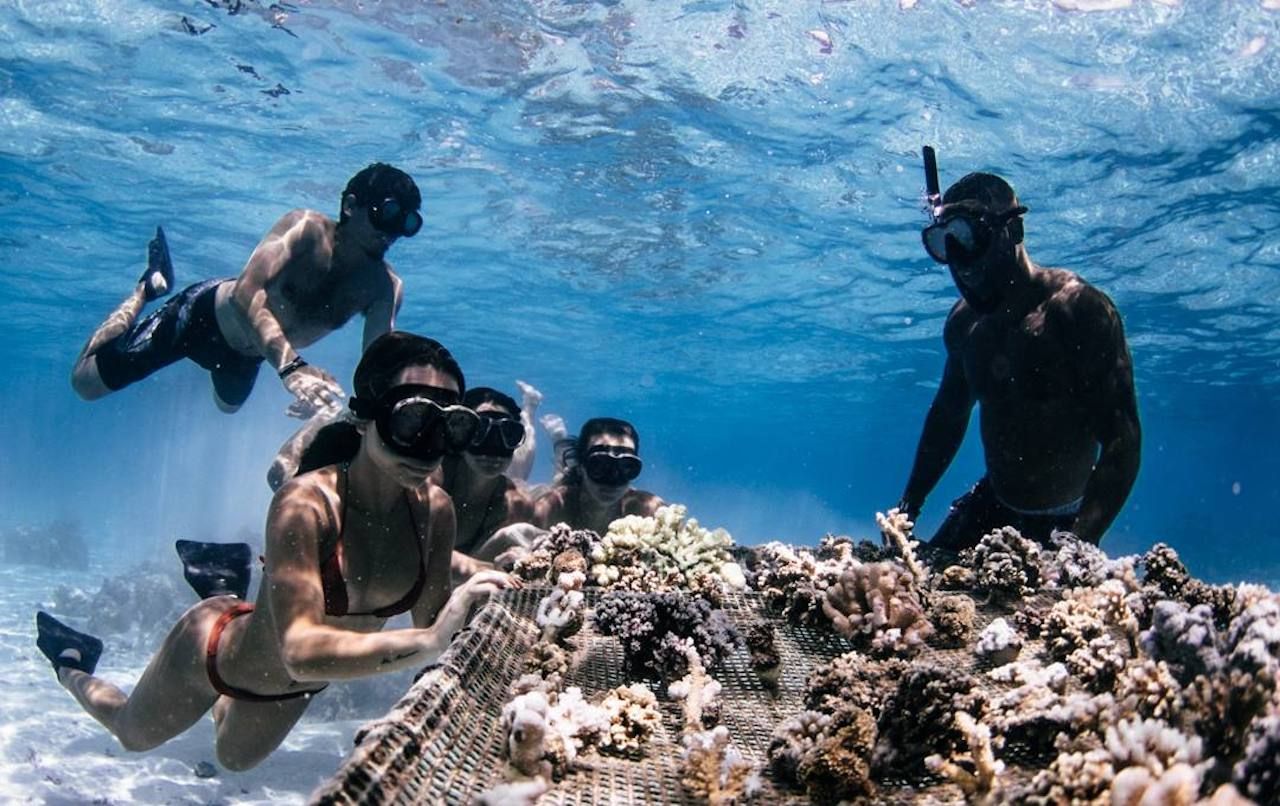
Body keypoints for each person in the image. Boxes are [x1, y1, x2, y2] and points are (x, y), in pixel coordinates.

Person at [36, 332, 517, 771]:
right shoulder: (307, 502)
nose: (428, 447)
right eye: (413, 420)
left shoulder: (436, 511)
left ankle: (225, 585)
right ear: (367, 414)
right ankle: (71, 660)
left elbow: (435, 625)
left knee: (233, 758)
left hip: (298, 684)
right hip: (216, 654)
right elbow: (303, 652)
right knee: (130, 734)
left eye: (449, 427)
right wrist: (433, 640)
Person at [895, 166, 1141, 551]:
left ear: (1014, 231)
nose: (960, 262)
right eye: (944, 243)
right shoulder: (964, 325)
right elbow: (948, 416)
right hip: (992, 502)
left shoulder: (1079, 311)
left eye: (967, 237)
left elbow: (1122, 439)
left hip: (1068, 520)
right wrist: (909, 506)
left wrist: (1080, 543)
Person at [70, 163, 421, 417]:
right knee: (84, 385)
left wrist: (347, 407)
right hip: (199, 319)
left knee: (228, 409)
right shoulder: (304, 230)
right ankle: (147, 288)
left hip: (252, 354)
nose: (392, 232)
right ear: (350, 206)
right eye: (386, 213)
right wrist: (292, 368)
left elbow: (377, 364)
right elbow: (245, 294)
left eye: (407, 222)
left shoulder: (384, 288)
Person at [434, 387, 537, 575]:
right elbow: (415, 555)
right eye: (478, 431)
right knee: (521, 467)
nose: (493, 448)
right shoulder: (433, 477)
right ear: (460, 434)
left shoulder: (517, 503)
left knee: (521, 468)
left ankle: (529, 410)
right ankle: (529, 407)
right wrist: (491, 569)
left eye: (509, 433)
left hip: (503, 487)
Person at [534, 417, 664, 534]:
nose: (612, 478)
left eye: (626, 466)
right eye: (599, 465)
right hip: (572, 482)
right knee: (560, 478)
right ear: (582, 466)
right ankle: (558, 438)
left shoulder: (649, 509)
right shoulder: (556, 505)